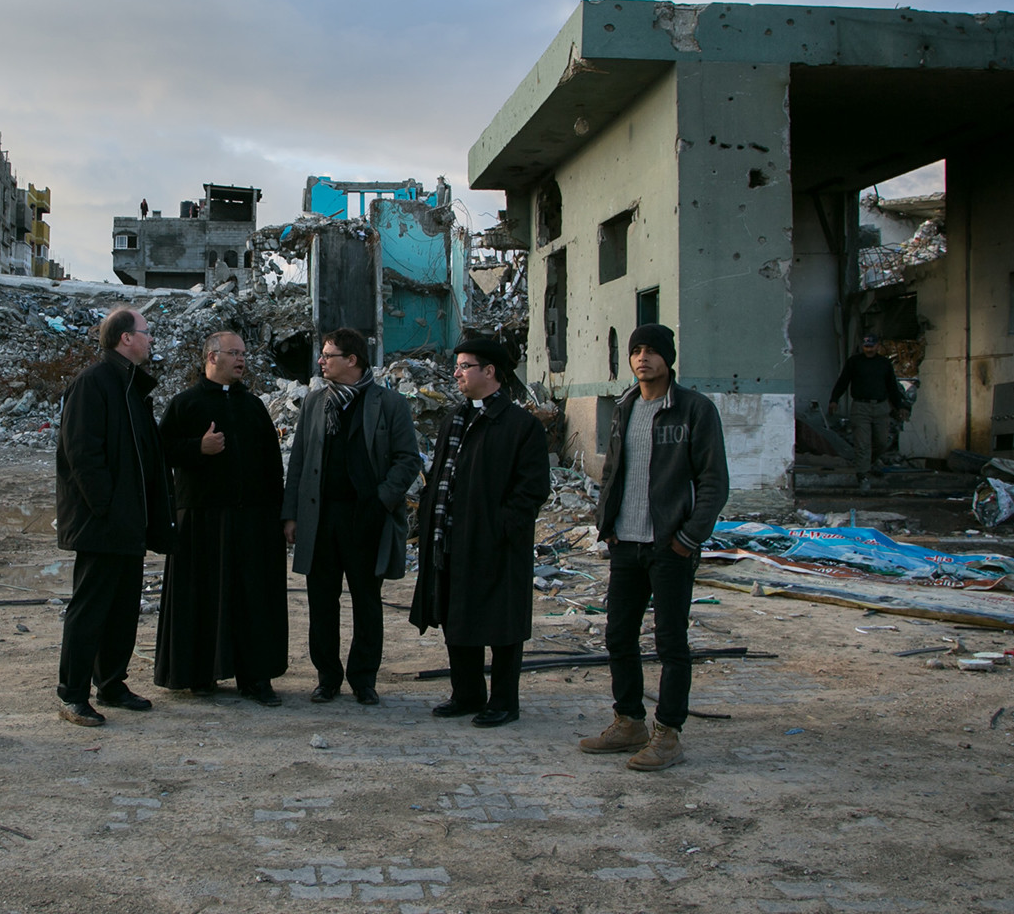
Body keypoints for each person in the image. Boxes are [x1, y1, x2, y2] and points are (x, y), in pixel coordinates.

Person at [580, 324, 728, 771]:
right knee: (619, 636)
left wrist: (688, 538)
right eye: (636, 351)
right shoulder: (625, 407)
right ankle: (629, 722)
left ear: (668, 358)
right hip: (627, 543)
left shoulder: (694, 410)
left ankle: (668, 734)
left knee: (670, 643)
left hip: (669, 546)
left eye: (651, 351)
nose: (642, 358)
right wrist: (607, 524)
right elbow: (612, 471)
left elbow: (714, 482)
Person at [409, 338, 550, 727]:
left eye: (465, 366)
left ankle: (504, 700)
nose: (456, 373)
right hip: (451, 540)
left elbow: (532, 489)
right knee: (458, 617)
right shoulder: (456, 418)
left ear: (490, 372)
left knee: (502, 624)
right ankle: (467, 693)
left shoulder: (521, 426)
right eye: (457, 365)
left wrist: (501, 527)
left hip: (497, 544)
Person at [281, 328, 421, 706]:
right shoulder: (314, 403)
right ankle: (327, 678)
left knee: (366, 601)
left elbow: (408, 459)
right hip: (321, 519)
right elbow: (299, 464)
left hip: (366, 518)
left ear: (352, 360)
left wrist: (382, 501)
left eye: (328, 355)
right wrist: (291, 515)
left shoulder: (388, 404)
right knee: (321, 602)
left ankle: (363, 679)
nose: (321, 361)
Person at [53, 306, 174, 726]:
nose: (150, 339)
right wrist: (107, 508)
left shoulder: (131, 387)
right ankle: (72, 693)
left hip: (128, 523)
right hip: (102, 524)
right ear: (125, 338)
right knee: (91, 609)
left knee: (123, 608)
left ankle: (111, 683)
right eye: (145, 332)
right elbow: (83, 454)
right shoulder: (93, 384)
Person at [154, 331, 288, 705]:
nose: (242, 360)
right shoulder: (185, 404)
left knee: (251, 600)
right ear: (212, 357)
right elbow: (160, 452)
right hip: (202, 521)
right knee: (202, 598)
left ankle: (255, 678)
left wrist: (280, 515)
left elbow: (272, 464)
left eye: (244, 353)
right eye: (234, 353)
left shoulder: (255, 406)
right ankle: (200, 673)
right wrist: (198, 448)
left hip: (253, 522)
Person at [828, 333, 909, 479]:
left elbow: (892, 387)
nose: (869, 350)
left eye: (872, 347)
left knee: (882, 442)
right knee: (862, 443)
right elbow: (842, 382)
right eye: (866, 347)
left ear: (878, 346)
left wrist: (900, 406)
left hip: (880, 407)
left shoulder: (884, 364)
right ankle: (863, 475)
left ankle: (868, 463)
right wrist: (834, 399)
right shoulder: (854, 362)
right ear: (862, 346)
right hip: (860, 407)